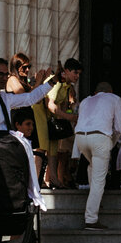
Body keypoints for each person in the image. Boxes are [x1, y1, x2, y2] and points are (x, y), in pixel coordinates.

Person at [73, 81, 121, 230]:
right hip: (100, 137)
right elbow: (119, 127)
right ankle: (91, 219)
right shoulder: (114, 98)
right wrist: (111, 144)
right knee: (98, 180)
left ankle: (95, 198)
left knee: (92, 167)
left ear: (96, 92)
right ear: (110, 91)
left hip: (81, 137)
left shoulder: (85, 100)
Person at [0, 56, 55, 134]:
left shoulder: (5, 97)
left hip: (6, 144)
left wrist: (53, 81)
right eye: (0, 74)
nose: (4, 78)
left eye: (6, 75)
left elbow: (30, 98)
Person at [45, 57, 82, 188]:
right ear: (66, 71)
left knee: (54, 151)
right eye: (75, 73)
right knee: (44, 150)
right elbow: (50, 104)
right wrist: (69, 117)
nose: (77, 76)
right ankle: (47, 180)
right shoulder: (58, 82)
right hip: (44, 117)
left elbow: (62, 106)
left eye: (79, 74)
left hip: (52, 120)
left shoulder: (67, 86)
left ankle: (53, 179)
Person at [10, 107, 46, 211]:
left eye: (33, 124)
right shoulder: (17, 142)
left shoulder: (25, 141)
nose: (31, 127)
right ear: (17, 125)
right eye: (28, 124)